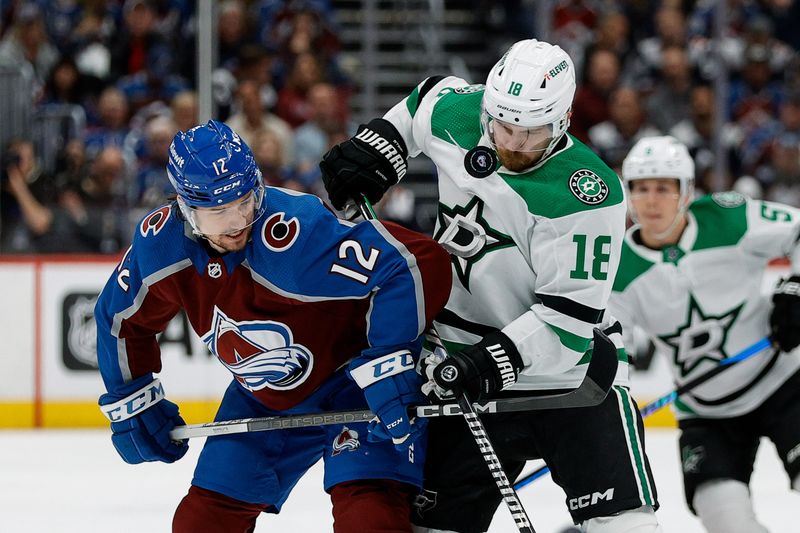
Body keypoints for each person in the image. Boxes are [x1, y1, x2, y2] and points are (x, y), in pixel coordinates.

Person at [320, 39, 662, 533]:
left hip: (568, 383)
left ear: (563, 120)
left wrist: (490, 361)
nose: (512, 145)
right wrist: (375, 151)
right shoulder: (462, 115)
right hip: (461, 367)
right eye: (503, 126)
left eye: (531, 133)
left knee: (625, 527)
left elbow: (568, 324)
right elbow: (424, 99)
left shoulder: (589, 195)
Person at [94, 120, 452, 532]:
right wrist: (131, 396)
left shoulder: (296, 233)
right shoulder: (160, 245)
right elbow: (118, 319)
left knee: (368, 517)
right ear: (185, 208)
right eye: (217, 212)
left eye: (244, 203)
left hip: (356, 386)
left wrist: (389, 360)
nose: (235, 223)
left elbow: (414, 260)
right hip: (264, 394)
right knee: (202, 522)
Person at [611, 135, 800, 533]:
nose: (651, 200)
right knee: (724, 519)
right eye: (641, 188)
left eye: (664, 187)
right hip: (707, 411)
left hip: (786, 383)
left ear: (687, 191)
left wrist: (796, 288)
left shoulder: (728, 218)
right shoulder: (616, 268)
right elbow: (613, 352)